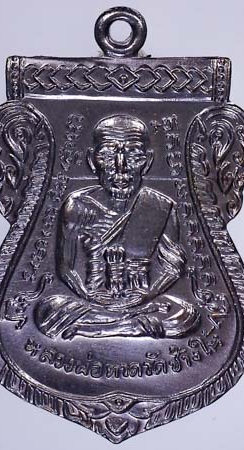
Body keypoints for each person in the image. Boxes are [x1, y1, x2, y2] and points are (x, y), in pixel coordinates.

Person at [34, 115, 199, 339]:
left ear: (148, 161)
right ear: (92, 161)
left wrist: (146, 296)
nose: (121, 166)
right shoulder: (78, 205)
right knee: (48, 310)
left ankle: (101, 328)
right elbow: (66, 267)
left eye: (133, 155)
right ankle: (131, 325)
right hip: (91, 300)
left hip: (141, 300)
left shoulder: (159, 205)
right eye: (108, 155)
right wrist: (89, 296)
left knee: (186, 314)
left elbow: (172, 268)